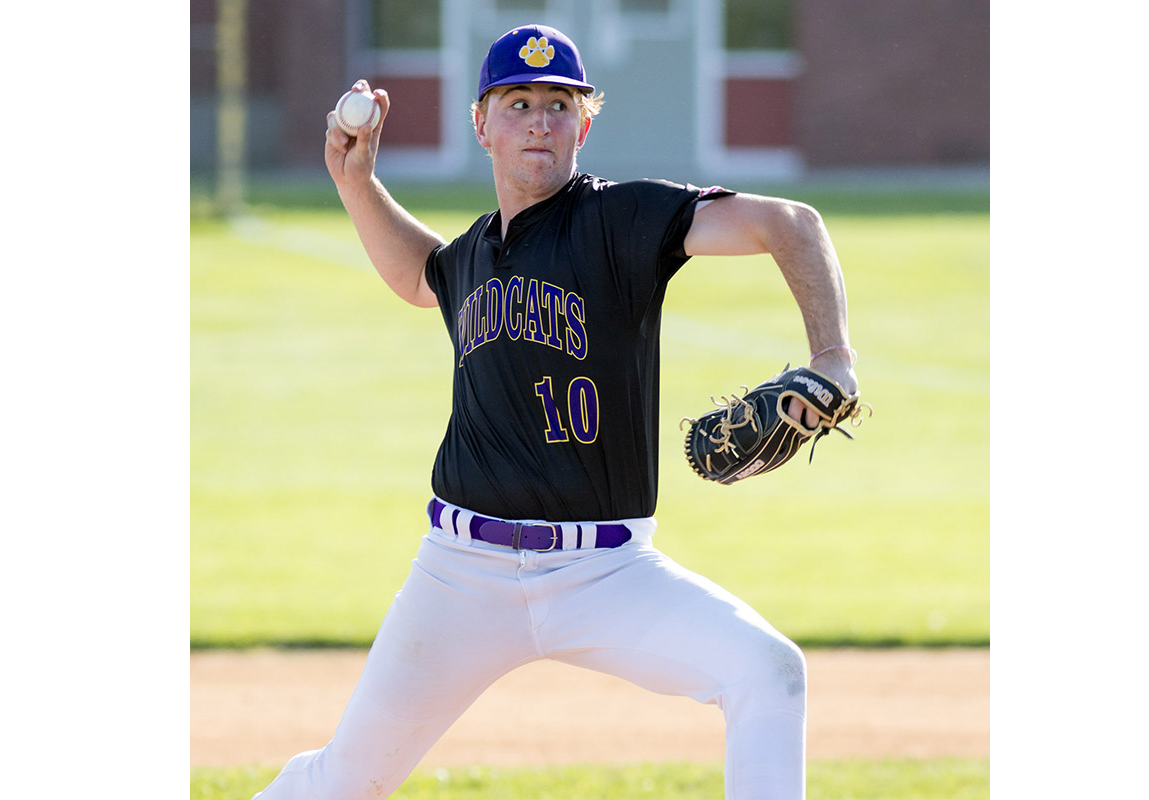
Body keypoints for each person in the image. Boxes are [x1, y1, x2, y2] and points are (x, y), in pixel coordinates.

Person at [252, 23, 858, 800]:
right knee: (346, 778)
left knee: (768, 671)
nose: (540, 120)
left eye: (559, 104)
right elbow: (419, 277)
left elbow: (792, 224)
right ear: (482, 123)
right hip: (459, 575)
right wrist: (356, 183)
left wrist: (832, 359)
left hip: (606, 572)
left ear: (586, 122)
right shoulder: (471, 255)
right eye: (518, 102)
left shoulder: (620, 221)